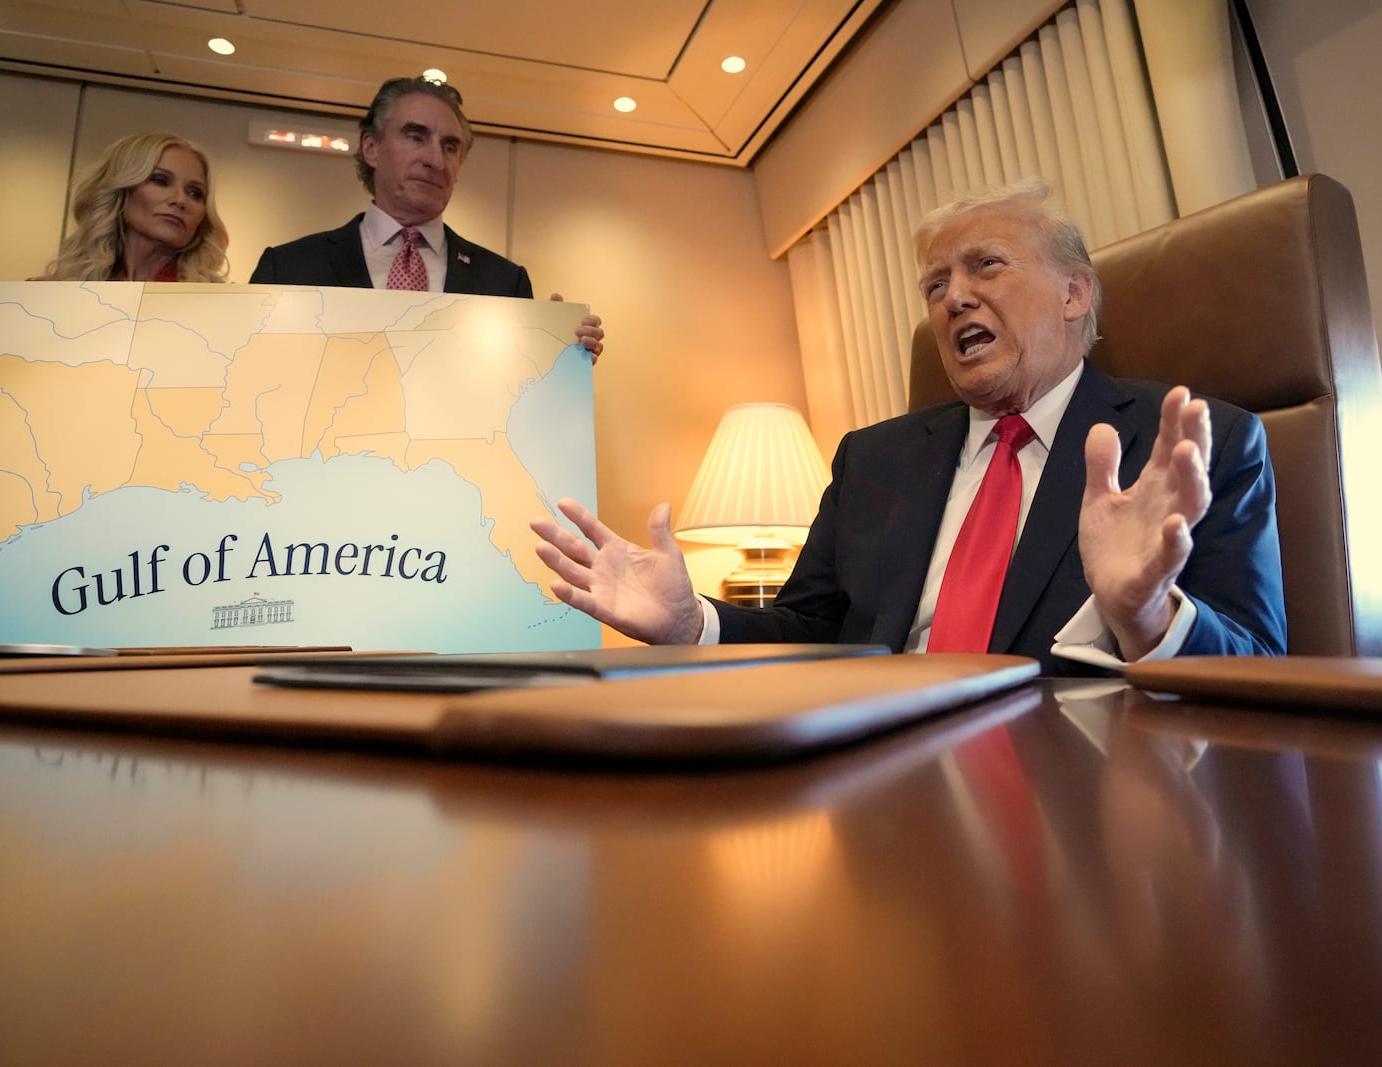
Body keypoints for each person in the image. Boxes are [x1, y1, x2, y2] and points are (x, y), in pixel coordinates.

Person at [530, 180, 1286, 673]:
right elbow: (812, 633)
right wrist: (693, 622)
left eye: (986, 266)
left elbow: (1260, 668)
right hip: (878, 799)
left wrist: (1150, 617)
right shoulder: (874, 459)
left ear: (1073, 293)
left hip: (1080, 808)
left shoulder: (1190, 446)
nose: (953, 298)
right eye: (935, 283)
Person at [0, 132, 229, 501]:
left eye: (195, 193)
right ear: (121, 189)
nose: (180, 200)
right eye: (160, 179)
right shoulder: (39, 302)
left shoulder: (219, 316)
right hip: (50, 508)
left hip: (171, 512)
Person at [249, 75, 604, 361]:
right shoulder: (287, 269)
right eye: (416, 136)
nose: (435, 160)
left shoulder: (505, 284)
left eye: (450, 147)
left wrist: (559, 361)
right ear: (371, 148)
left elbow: (521, 406)